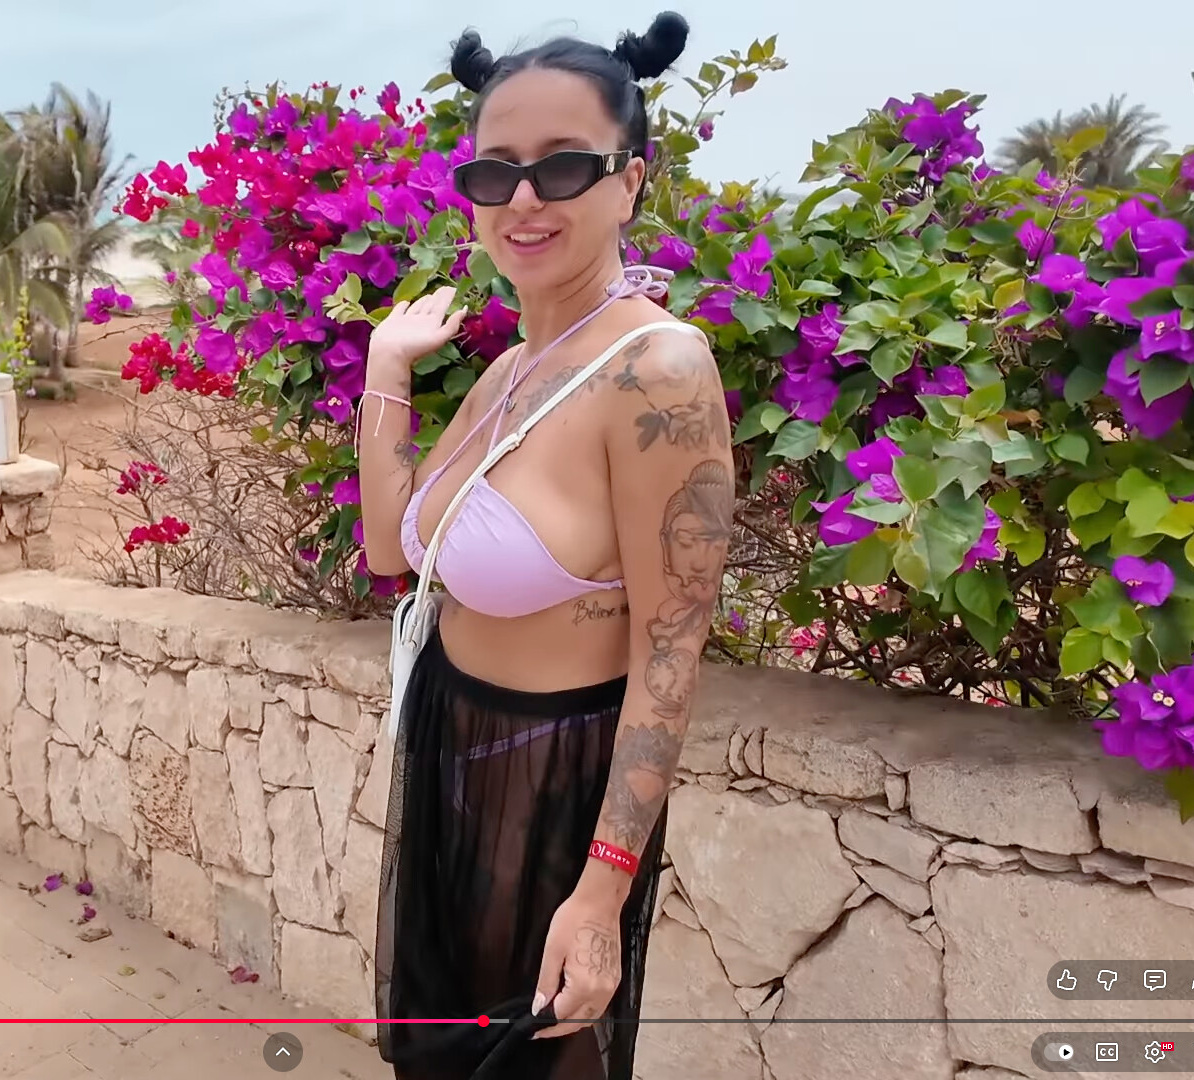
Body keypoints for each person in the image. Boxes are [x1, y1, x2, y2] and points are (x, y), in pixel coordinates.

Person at [360, 13, 734, 1080]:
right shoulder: (512, 369)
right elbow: (392, 547)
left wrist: (603, 887)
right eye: (495, 171)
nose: (523, 199)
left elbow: (671, 652)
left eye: (564, 166)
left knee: (536, 1066)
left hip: (556, 787)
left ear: (630, 182)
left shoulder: (658, 372)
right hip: (452, 750)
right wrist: (387, 364)